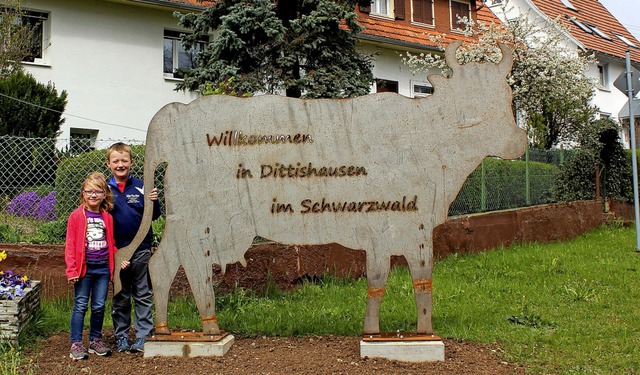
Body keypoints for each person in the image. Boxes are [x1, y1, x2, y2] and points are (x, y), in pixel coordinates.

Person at [65, 172, 128, 360]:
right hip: (84, 270)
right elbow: (69, 245)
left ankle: (95, 340)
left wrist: (118, 259)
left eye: (97, 192)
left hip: (102, 269)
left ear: (104, 195)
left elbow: (111, 243)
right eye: (89, 191)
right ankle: (76, 343)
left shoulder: (107, 217)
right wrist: (72, 270)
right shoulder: (76, 216)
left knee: (99, 306)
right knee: (81, 305)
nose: (93, 195)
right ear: (83, 193)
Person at [107, 142, 161, 353]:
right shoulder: (105, 189)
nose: (120, 165)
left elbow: (154, 215)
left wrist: (154, 201)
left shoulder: (142, 186)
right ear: (109, 164)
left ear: (131, 162)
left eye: (124, 161)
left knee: (142, 293)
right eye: (116, 161)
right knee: (120, 294)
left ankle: (142, 336)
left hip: (141, 249)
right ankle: (121, 336)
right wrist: (112, 252)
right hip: (116, 252)